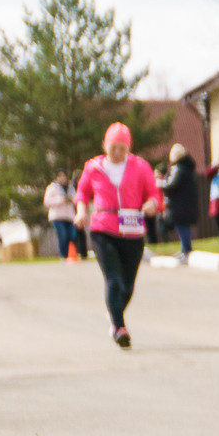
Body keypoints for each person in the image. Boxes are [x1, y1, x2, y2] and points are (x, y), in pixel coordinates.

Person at [74, 122, 162, 348]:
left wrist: (152, 204)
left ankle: (114, 313)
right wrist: (81, 212)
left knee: (128, 286)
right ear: (105, 145)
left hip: (133, 231)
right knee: (114, 280)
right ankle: (119, 327)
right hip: (103, 229)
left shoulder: (141, 167)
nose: (117, 153)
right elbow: (82, 192)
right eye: (113, 147)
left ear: (128, 148)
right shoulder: (93, 167)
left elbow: (153, 192)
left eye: (122, 148)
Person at [162, 145, 201, 258]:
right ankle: (184, 249)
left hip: (179, 204)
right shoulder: (189, 168)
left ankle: (186, 250)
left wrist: (161, 183)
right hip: (188, 203)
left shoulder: (178, 168)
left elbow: (171, 185)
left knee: (181, 225)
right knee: (184, 226)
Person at [42, 174, 81, 260]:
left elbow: (77, 199)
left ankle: (72, 254)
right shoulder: (52, 187)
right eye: (60, 176)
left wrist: (71, 199)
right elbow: (46, 201)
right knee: (63, 235)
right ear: (57, 178)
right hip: (57, 216)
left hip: (69, 216)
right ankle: (64, 255)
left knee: (72, 235)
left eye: (64, 176)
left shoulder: (70, 187)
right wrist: (61, 199)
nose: (63, 178)